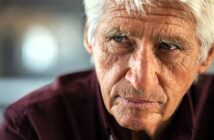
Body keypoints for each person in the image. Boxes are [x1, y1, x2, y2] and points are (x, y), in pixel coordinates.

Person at [1, 0, 214, 139]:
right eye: (119, 39)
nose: (140, 80)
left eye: (169, 47)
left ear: (206, 56)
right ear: (89, 38)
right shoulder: (32, 128)